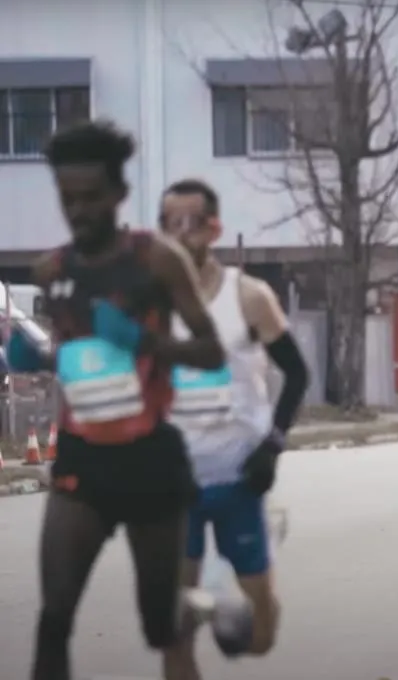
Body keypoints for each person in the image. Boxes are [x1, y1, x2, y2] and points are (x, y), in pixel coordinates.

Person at [5, 120, 226, 680]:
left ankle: (186, 614)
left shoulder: (157, 261)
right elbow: (83, 357)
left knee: (160, 629)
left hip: (150, 459)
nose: (78, 211)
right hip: (83, 458)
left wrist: (144, 340)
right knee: (53, 619)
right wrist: (41, 359)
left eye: (91, 198)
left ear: (119, 195)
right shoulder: (51, 270)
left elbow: (210, 351)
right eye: (67, 198)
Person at [154, 179, 310, 679]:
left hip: (240, 477)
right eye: (168, 225)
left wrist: (274, 443)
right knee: (173, 631)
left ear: (213, 229)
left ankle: (234, 597)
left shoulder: (249, 297)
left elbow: (298, 373)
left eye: (189, 223)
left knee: (258, 636)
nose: (178, 235)